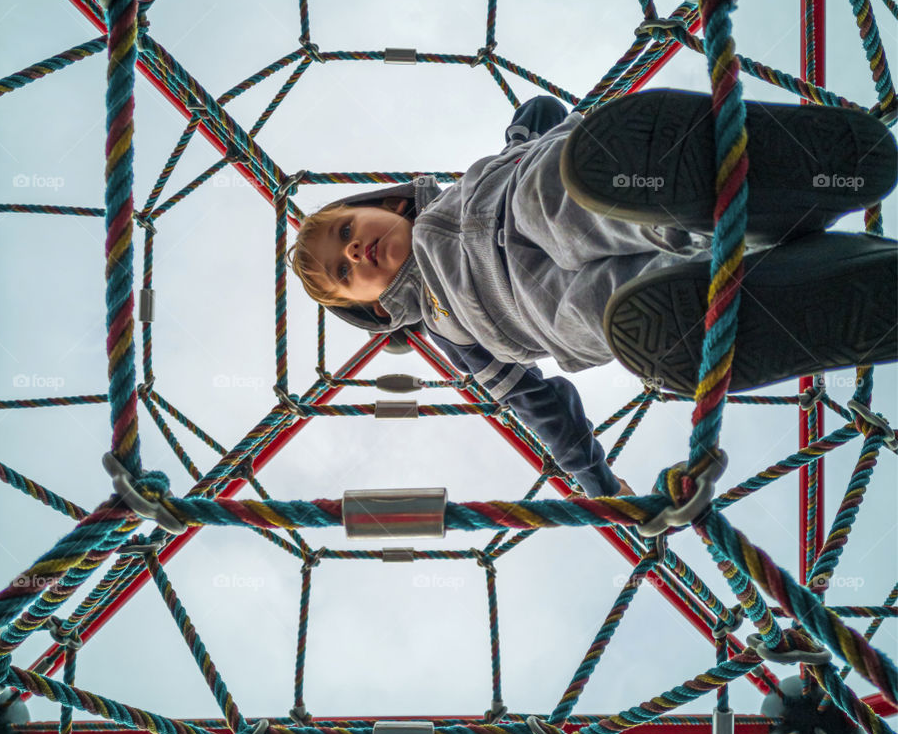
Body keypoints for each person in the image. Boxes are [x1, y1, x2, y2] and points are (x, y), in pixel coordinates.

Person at [288, 90, 897, 497]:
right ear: (372, 307)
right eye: (344, 273)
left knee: (565, 198)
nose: (352, 251)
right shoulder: (448, 333)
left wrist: (525, 136)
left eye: (346, 231)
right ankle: (793, 278)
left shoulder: (459, 192)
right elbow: (538, 403)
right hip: (551, 312)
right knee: (622, 314)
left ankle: (698, 188)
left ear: (382, 206)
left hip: (529, 199)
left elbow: (541, 110)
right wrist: (592, 477)